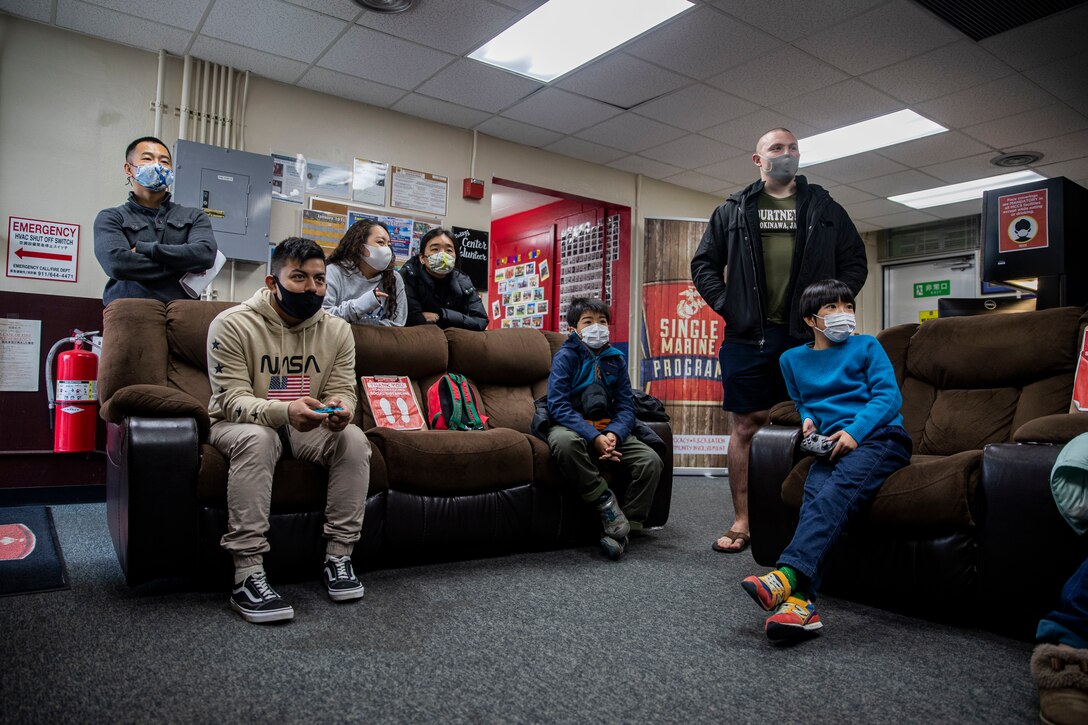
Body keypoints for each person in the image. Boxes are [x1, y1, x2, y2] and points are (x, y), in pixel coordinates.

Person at [690, 127, 868, 554]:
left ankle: (806, 519)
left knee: (815, 422)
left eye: (792, 148)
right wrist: (728, 303)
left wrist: (829, 308)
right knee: (746, 426)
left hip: (806, 336)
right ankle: (743, 520)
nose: (786, 154)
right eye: (776, 148)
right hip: (747, 335)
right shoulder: (732, 210)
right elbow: (704, 264)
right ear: (758, 160)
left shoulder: (825, 208)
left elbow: (855, 262)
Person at [207, 237, 371, 624]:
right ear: (271, 282)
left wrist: (342, 410)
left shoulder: (337, 330)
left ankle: (339, 557)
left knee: (354, 439)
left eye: (318, 279)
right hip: (238, 424)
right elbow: (231, 400)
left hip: (307, 423)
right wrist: (282, 412)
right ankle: (247, 574)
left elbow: (343, 388)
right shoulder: (230, 325)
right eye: (298, 277)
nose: (311, 288)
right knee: (259, 438)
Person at [739, 279, 910, 643]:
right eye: (832, 308)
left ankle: (785, 576)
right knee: (813, 499)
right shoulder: (791, 360)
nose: (844, 315)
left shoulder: (867, 346)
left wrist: (855, 432)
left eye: (848, 307)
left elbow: (888, 398)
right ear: (810, 319)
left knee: (837, 493)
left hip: (880, 438)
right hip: (830, 444)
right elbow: (802, 400)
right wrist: (807, 419)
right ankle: (802, 606)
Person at [535, 297, 663, 561]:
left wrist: (613, 434)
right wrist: (594, 438)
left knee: (650, 461)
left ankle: (625, 529)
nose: (597, 327)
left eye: (602, 321)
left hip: (609, 428)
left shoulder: (616, 360)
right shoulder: (565, 357)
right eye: (588, 322)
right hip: (571, 426)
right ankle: (606, 502)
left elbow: (626, 407)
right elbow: (557, 406)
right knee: (564, 444)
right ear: (573, 330)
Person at [94, 136, 218, 305]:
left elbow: (205, 255)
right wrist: (184, 264)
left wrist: (145, 249)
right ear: (129, 169)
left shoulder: (194, 216)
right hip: (130, 312)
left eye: (164, 161)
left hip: (184, 314)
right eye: (147, 158)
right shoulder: (111, 217)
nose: (158, 165)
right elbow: (117, 264)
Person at [399, 227, 487, 330]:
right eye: (435, 249)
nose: (443, 255)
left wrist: (441, 316)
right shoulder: (408, 276)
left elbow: (480, 321)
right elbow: (411, 319)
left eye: (449, 250)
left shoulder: (463, 281)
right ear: (422, 258)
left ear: (455, 257)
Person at [323, 218, 407, 326]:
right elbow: (323, 317)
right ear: (360, 246)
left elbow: (398, 324)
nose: (387, 249)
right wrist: (360, 305)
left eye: (389, 244)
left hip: (379, 342)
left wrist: (367, 334)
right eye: (380, 242)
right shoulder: (334, 272)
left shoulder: (394, 278)